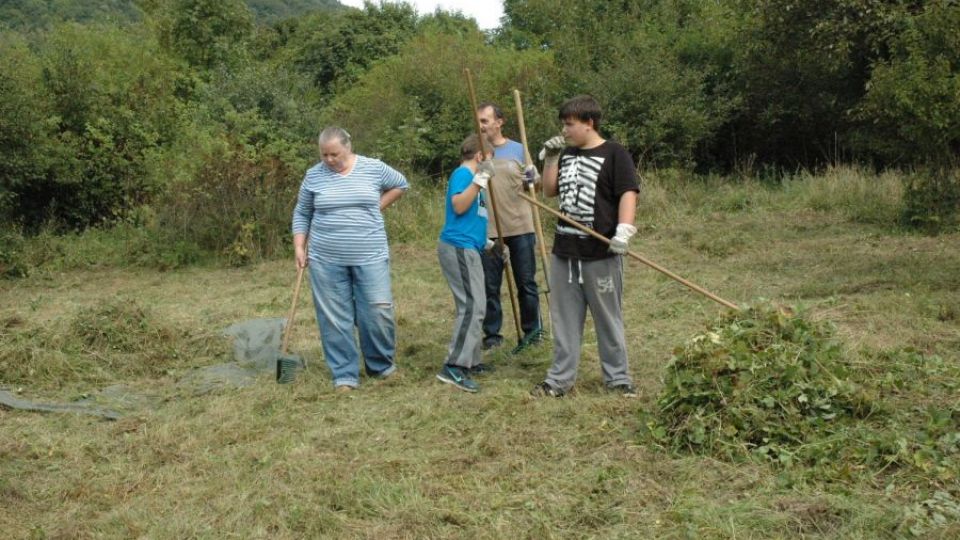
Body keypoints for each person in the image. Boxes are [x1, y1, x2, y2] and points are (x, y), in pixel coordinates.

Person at [532, 96, 639, 398]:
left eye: (569, 124)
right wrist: (551, 158)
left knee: (608, 317)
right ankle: (559, 381)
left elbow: (628, 192)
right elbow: (550, 192)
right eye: (563, 124)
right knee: (564, 319)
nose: (564, 130)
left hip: (601, 251)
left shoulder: (615, 153)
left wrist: (624, 229)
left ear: (589, 123)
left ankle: (617, 379)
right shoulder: (566, 154)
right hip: (565, 251)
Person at [292, 126, 409, 393]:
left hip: (371, 254)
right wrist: (300, 246)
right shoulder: (313, 176)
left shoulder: (373, 168)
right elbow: (302, 212)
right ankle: (344, 375)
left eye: (335, 154)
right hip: (325, 259)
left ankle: (381, 365)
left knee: (377, 311)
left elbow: (401, 184)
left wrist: (376, 206)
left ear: (348, 146)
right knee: (334, 316)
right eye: (324, 155)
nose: (330, 160)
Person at [476, 102, 543, 353]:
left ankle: (532, 332)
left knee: (526, 283)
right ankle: (492, 335)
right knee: (489, 285)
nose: (481, 126)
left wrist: (532, 178)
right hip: (489, 230)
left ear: (499, 122)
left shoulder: (517, 149)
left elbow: (532, 186)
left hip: (520, 226)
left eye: (484, 121)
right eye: (479, 121)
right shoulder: (477, 151)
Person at [435, 134, 492, 393]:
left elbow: (472, 218)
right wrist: (479, 182)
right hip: (457, 246)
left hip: (470, 246)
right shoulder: (464, 175)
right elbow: (458, 205)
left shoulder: (474, 181)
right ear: (480, 156)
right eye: (489, 159)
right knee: (472, 306)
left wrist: (489, 244)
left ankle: (471, 360)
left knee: (476, 304)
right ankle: (454, 366)